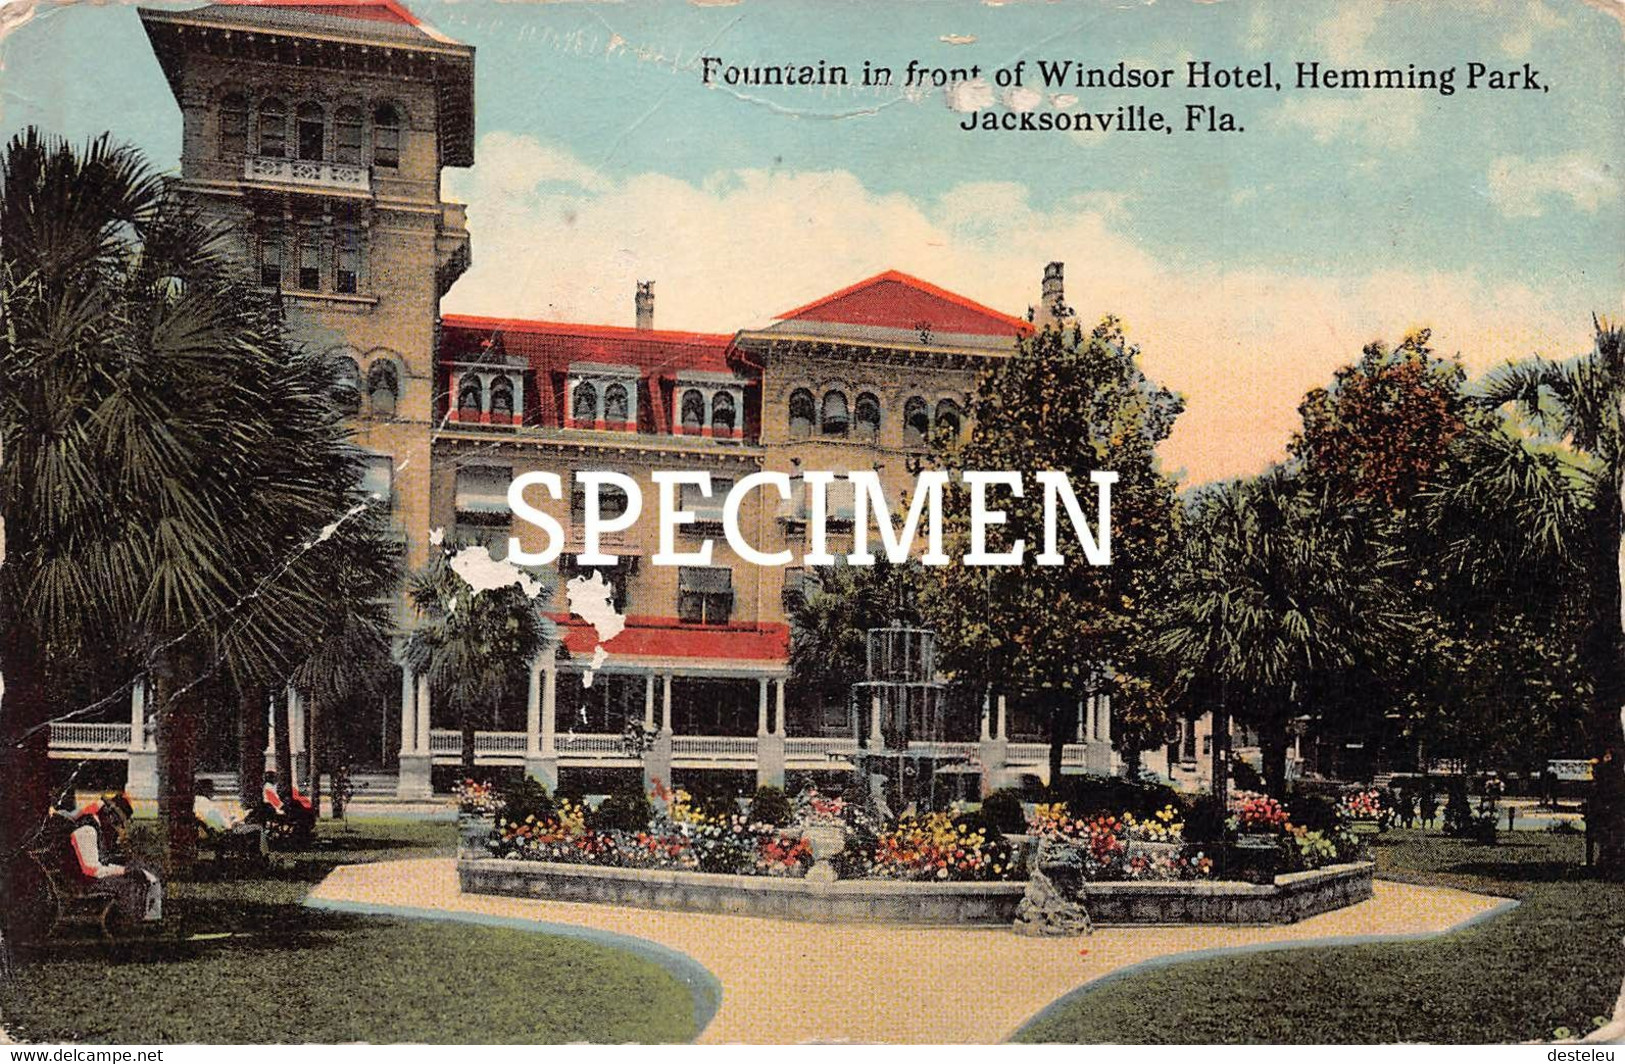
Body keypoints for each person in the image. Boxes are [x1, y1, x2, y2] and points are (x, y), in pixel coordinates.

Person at [62, 793, 162, 924]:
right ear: (109, 815)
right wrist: (126, 871)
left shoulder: (97, 829)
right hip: (84, 883)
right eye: (117, 823)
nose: (117, 829)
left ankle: (147, 919)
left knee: (140, 872)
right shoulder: (87, 830)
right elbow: (92, 870)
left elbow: (102, 863)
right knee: (131, 883)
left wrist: (128, 869)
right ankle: (134, 924)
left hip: (91, 878)